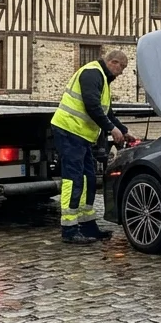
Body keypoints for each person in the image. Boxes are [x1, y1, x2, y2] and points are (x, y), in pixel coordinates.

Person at [50, 49, 139, 244]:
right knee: (73, 179)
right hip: (69, 131)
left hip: (80, 135)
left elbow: (108, 112)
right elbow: (92, 106)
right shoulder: (92, 73)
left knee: (89, 178)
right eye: (121, 67)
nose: (122, 72)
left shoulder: (103, 80)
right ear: (113, 62)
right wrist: (110, 129)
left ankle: (88, 225)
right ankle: (69, 229)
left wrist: (123, 130)